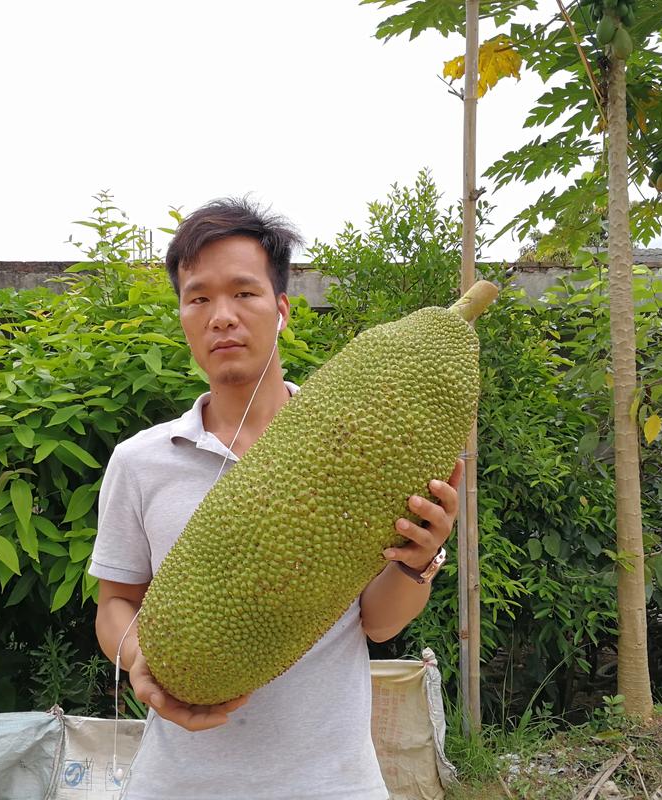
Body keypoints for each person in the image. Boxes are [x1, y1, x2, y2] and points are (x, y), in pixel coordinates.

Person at [88, 197, 461, 800]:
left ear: (282, 308)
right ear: (182, 316)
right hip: (178, 784)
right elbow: (116, 602)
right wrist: (139, 660)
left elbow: (377, 623)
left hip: (332, 782)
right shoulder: (141, 461)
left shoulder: (359, 445)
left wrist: (418, 561)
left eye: (245, 293)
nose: (221, 316)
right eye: (198, 297)